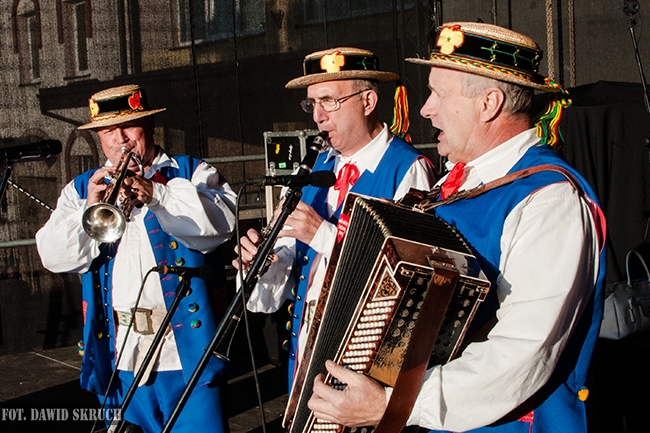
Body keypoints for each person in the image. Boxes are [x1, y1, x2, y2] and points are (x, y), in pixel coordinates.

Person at [306, 22, 607, 433]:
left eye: (439, 95)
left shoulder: (549, 201)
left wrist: (395, 403)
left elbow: (522, 352)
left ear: (489, 103)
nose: (426, 109)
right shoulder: (460, 184)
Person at [35, 84, 237, 433]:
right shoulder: (81, 188)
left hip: (183, 350)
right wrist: (89, 207)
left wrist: (157, 194)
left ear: (149, 126)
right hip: (120, 351)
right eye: (108, 132)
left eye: (129, 127)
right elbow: (53, 256)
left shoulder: (190, 172)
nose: (121, 141)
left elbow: (221, 224)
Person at [234, 47, 437, 390]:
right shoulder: (311, 170)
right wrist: (262, 264)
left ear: (368, 101)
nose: (318, 116)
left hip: (365, 364)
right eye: (312, 104)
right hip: (305, 351)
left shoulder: (407, 169)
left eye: (329, 101)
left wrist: (322, 235)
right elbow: (287, 270)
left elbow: (410, 280)